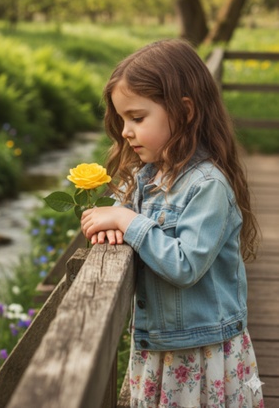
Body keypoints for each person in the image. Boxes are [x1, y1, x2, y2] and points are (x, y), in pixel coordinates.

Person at [80, 39, 264, 407]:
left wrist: (127, 221)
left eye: (137, 118)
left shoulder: (208, 186)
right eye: (121, 120)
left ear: (185, 112)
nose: (126, 131)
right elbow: (117, 212)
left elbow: (184, 265)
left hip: (201, 350)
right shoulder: (148, 174)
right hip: (160, 343)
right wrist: (114, 220)